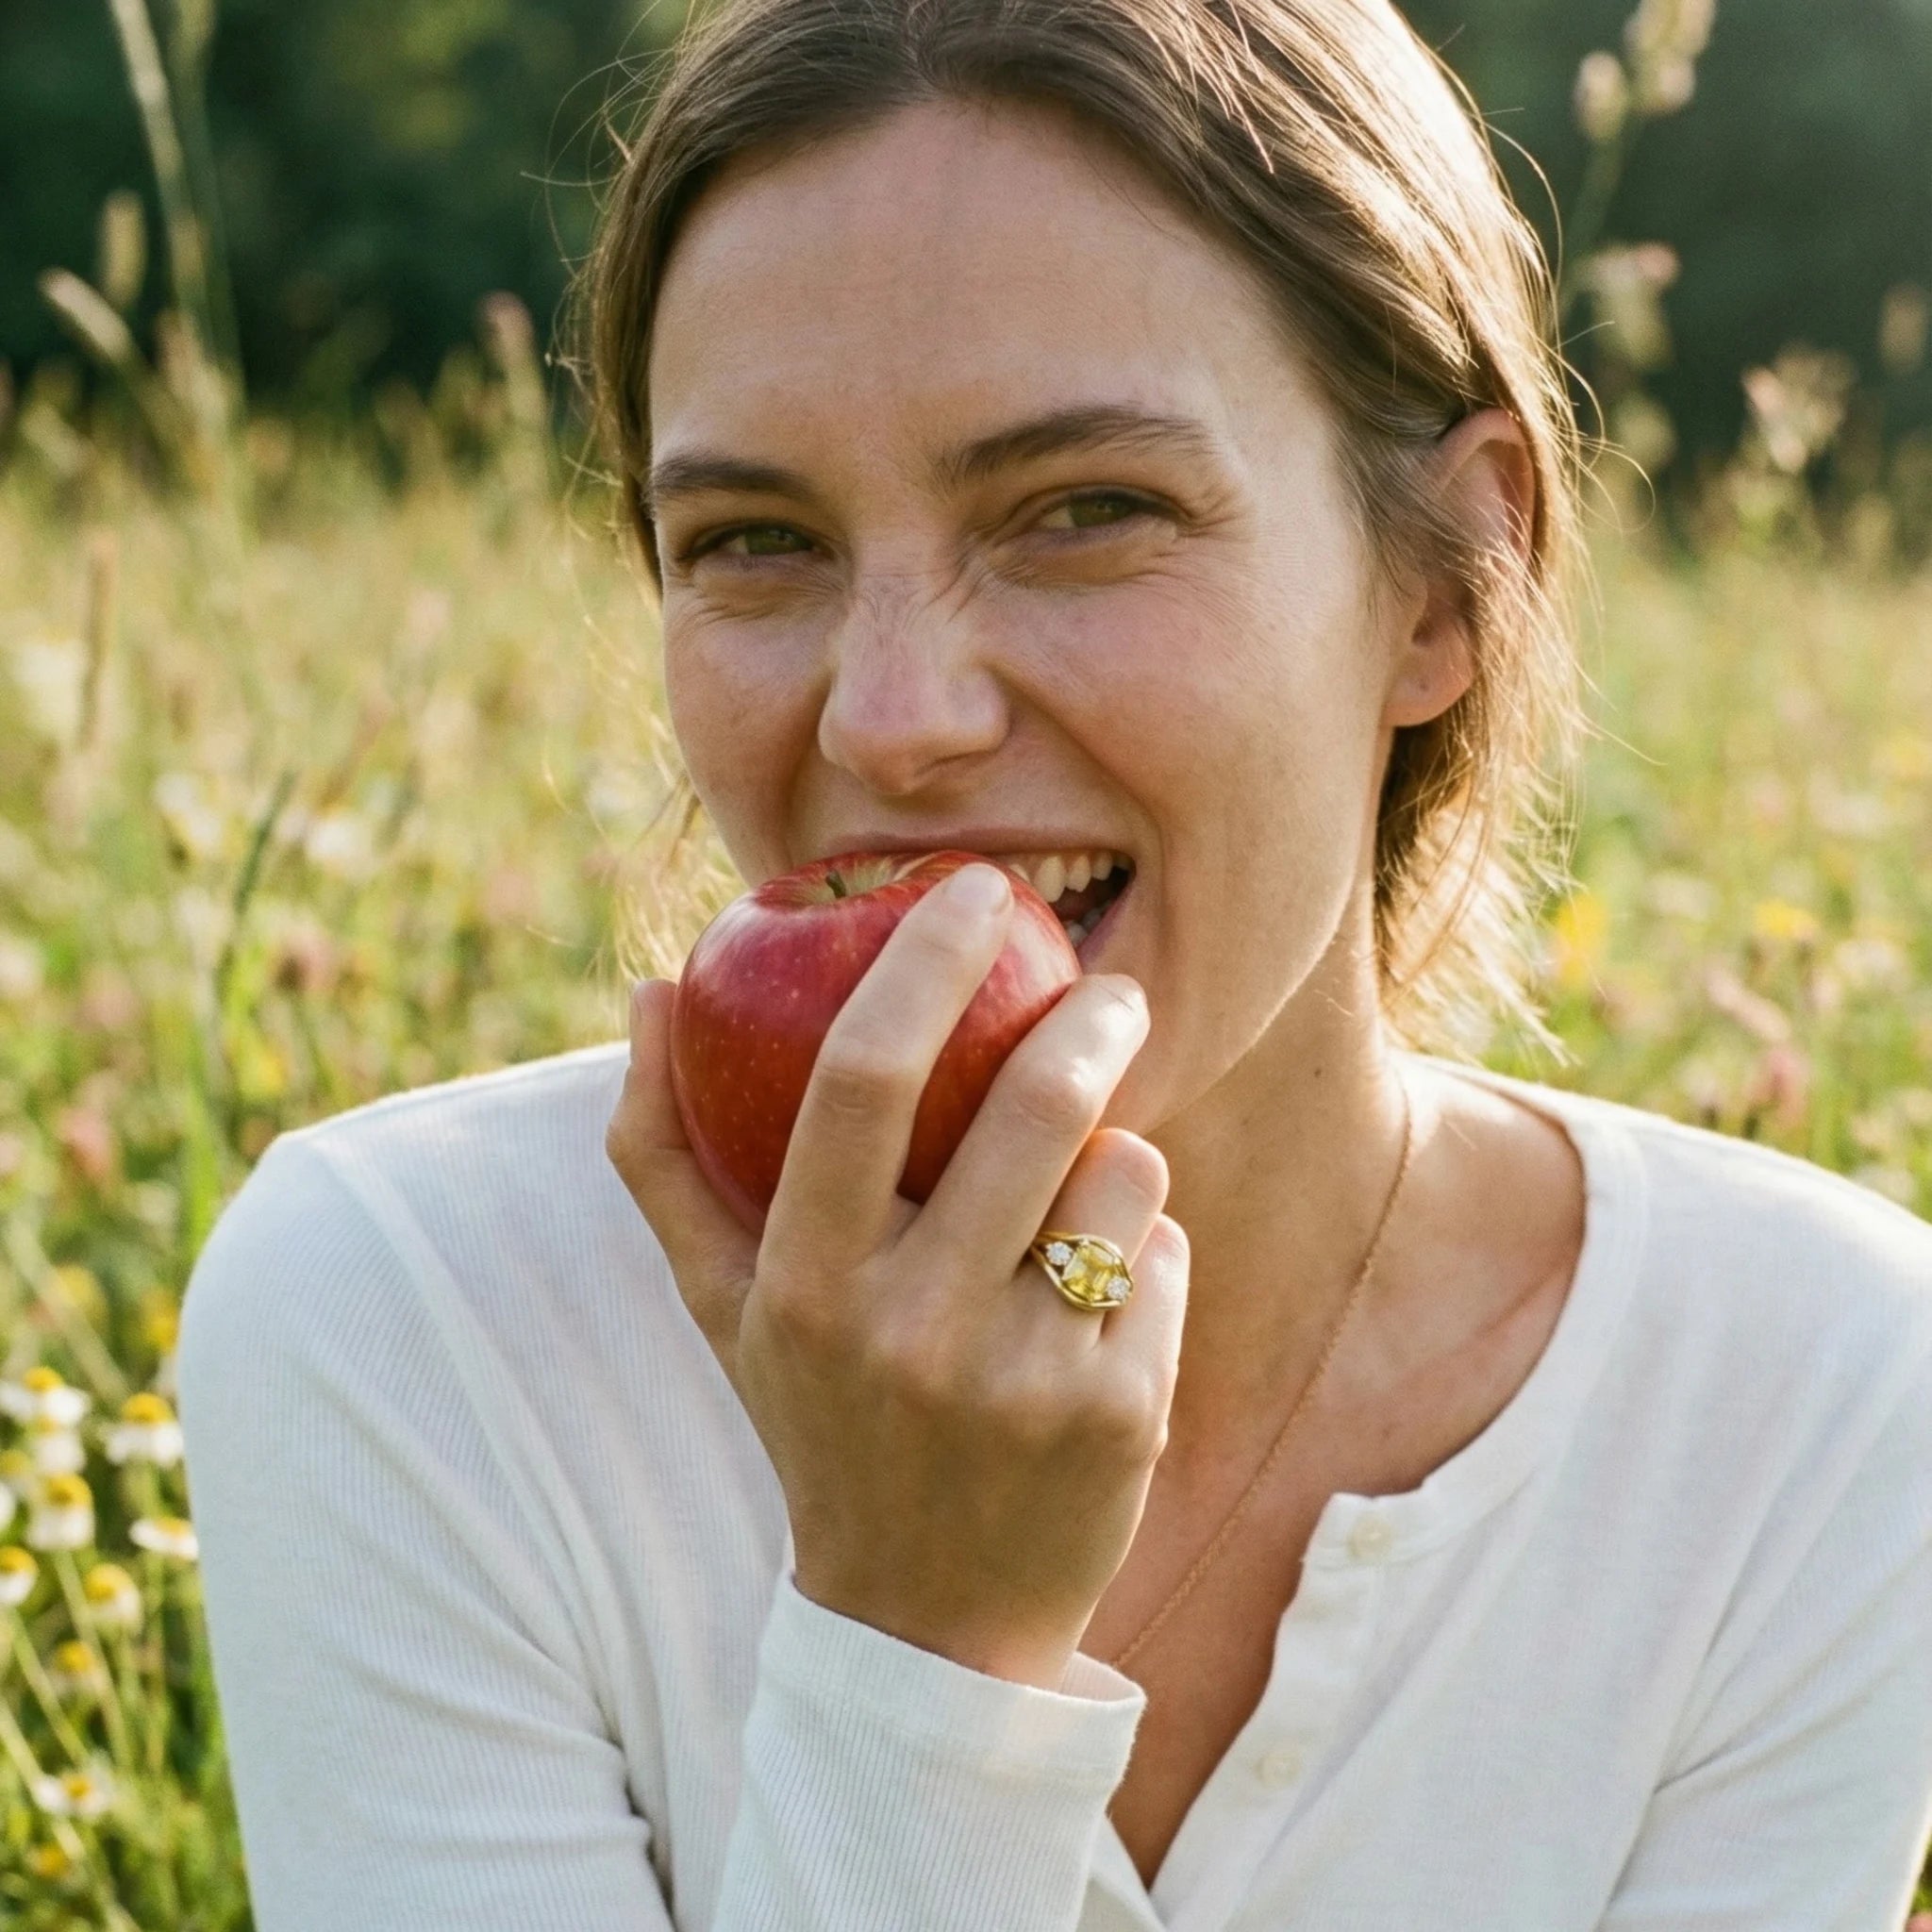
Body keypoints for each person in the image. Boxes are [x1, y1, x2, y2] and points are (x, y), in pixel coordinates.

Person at [175, 1, 1932, 1926]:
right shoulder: (415, 1324)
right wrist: (924, 1646)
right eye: (755, 540)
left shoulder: (1816, 1402)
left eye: (1085, 511)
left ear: (1445, 580)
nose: (894, 711)